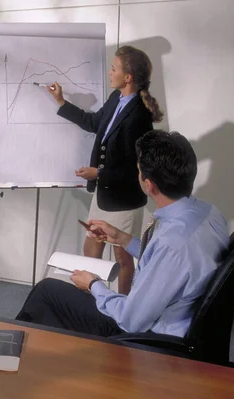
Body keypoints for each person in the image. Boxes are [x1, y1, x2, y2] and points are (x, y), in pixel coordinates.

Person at [16, 130, 229, 338]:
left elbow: (130, 320)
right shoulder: (208, 213)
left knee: (46, 292)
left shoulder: (173, 243)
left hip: (148, 335)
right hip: (175, 317)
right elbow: (166, 263)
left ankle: (12, 350)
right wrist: (121, 238)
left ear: (148, 185)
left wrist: (93, 284)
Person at [47, 46, 164, 294]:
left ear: (128, 76)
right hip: (104, 195)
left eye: (114, 68)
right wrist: (61, 101)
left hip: (125, 200)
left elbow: (136, 170)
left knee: (122, 259)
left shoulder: (139, 116)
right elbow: (93, 122)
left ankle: (122, 315)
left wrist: (98, 173)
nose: (109, 72)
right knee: (91, 250)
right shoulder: (116, 99)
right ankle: (88, 304)